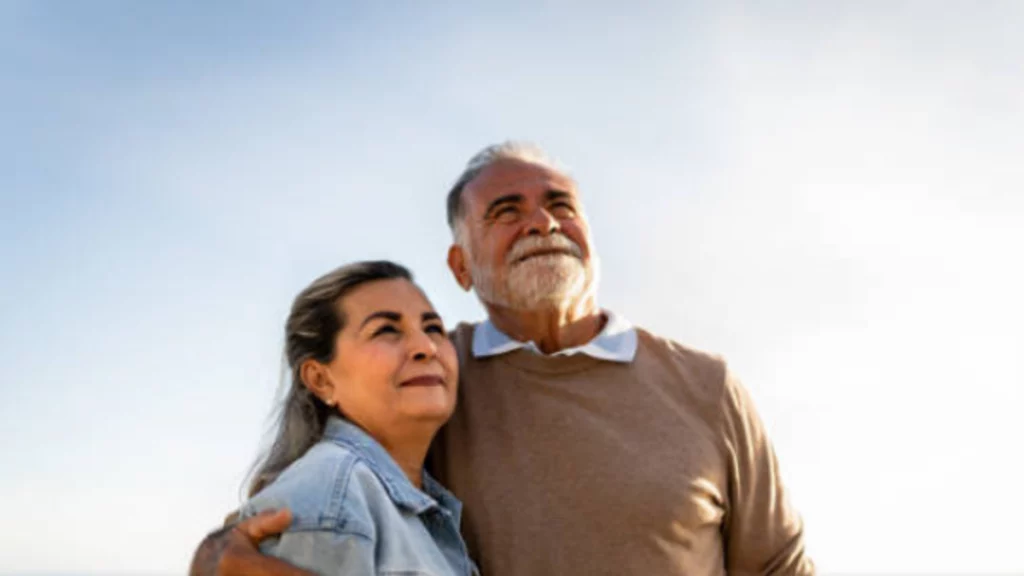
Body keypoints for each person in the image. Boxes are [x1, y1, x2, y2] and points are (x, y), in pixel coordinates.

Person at [191, 142, 814, 576]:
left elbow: (778, 565)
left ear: (590, 237)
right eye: (506, 211)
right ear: (461, 267)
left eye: (561, 204)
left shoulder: (707, 384)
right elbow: (281, 519)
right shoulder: (428, 377)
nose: (542, 222)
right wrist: (211, 555)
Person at [228, 260, 477, 575]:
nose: (425, 347)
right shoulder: (330, 500)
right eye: (386, 330)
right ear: (320, 379)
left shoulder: (417, 503)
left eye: (433, 328)